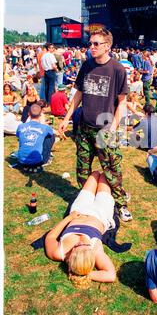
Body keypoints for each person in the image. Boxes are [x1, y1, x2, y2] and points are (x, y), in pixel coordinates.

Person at [58, 28, 132, 222]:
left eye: (96, 44)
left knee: (111, 168)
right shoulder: (87, 65)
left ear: (107, 46)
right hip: (84, 127)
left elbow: (122, 102)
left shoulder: (117, 69)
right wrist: (66, 118)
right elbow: (78, 95)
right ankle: (86, 198)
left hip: (105, 129)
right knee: (82, 167)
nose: (91, 47)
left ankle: (121, 203)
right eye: (90, 43)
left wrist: (113, 128)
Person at [45, 171, 116, 289]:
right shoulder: (95, 252)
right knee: (105, 175)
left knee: (94, 175)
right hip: (101, 213)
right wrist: (83, 274)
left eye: (76, 246)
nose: (80, 241)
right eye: (85, 245)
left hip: (79, 209)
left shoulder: (59, 253)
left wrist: (69, 218)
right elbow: (111, 275)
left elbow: (50, 237)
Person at [16, 104, 55, 168]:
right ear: (40, 114)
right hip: (37, 162)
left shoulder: (21, 126)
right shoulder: (45, 127)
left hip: (21, 160)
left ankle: (24, 153)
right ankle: (45, 159)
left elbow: (18, 136)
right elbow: (52, 133)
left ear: (28, 114)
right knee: (51, 135)